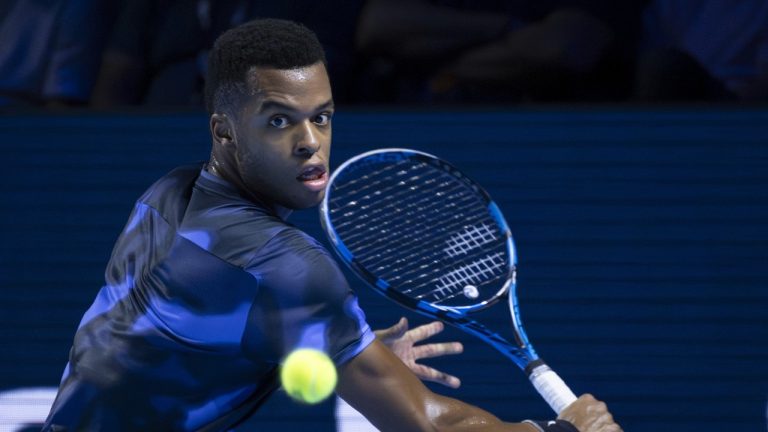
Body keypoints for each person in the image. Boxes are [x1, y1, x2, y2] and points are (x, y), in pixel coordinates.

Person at [43, 18, 622, 431]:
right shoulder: (288, 268)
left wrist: (345, 347)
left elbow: (179, 342)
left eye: (321, 117)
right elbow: (426, 425)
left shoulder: (167, 193)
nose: (310, 144)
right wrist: (562, 430)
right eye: (278, 121)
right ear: (224, 131)